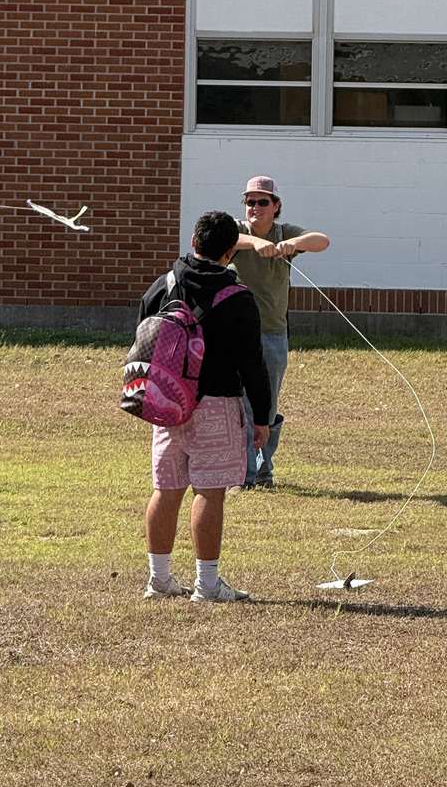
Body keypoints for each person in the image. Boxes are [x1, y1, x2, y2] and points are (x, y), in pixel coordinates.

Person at [139, 211, 271, 603]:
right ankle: (207, 585)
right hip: (216, 404)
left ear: (194, 241)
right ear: (231, 252)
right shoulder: (238, 298)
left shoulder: (163, 285)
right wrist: (262, 418)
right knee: (209, 493)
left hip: (167, 402)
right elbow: (253, 363)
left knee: (166, 490)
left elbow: (145, 338)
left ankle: (158, 579)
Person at [230, 176, 329, 492]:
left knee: (266, 408)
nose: (255, 208)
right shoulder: (237, 231)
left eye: (263, 202)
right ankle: (243, 475)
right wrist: (255, 243)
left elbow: (322, 240)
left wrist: (294, 244)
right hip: (237, 335)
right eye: (250, 202)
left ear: (276, 207)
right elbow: (221, 238)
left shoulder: (286, 234)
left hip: (273, 333)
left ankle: (263, 470)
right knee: (240, 407)